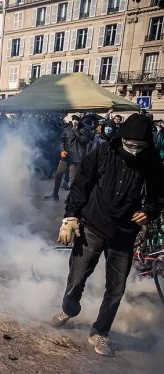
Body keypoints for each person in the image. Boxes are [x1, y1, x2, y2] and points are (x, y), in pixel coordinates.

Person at [51, 114, 164, 356]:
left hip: (123, 234)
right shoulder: (102, 153)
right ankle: (69, 309)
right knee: (77, 275)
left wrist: (149, 211)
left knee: (116, 288)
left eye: (140, 146)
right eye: (130, 144)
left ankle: (100, 333)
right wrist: (70, 216)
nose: (134, 150)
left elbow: (158, 196)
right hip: (92, 225)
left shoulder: (152, 162)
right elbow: (81, 185)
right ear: (122, 138)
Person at [45, 115, 90, 201]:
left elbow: (83, 140)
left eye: (76, 120)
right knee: (58, 175)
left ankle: (71, 198)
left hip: (76, 158)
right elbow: (61, 141)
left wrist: (75, 130)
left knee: (72, 179)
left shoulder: (84, 130)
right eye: (73, 119)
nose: (74, 121)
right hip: (65, 157)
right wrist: (62, 150)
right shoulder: (66, 129)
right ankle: (55, 194)